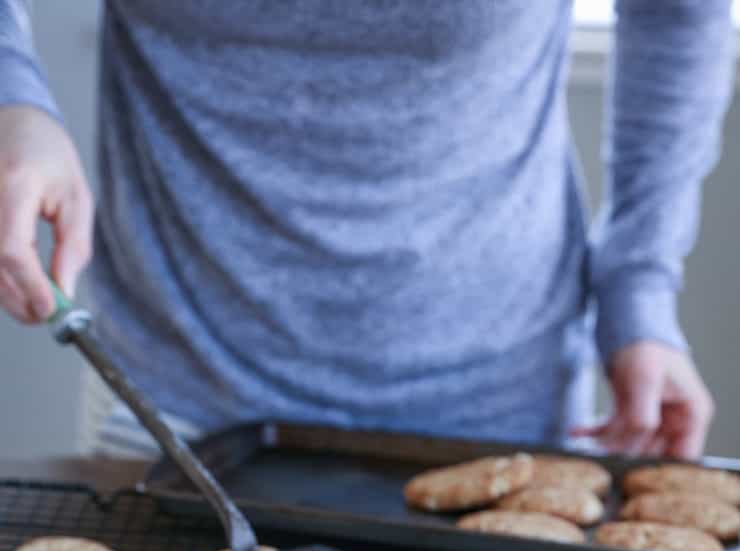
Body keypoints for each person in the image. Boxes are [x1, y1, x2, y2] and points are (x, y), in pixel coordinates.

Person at [0, 2, 734, 458]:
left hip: (498, 396)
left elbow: (680, 12)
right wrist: (14, 102)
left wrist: (640, 290)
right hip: (176, 390)